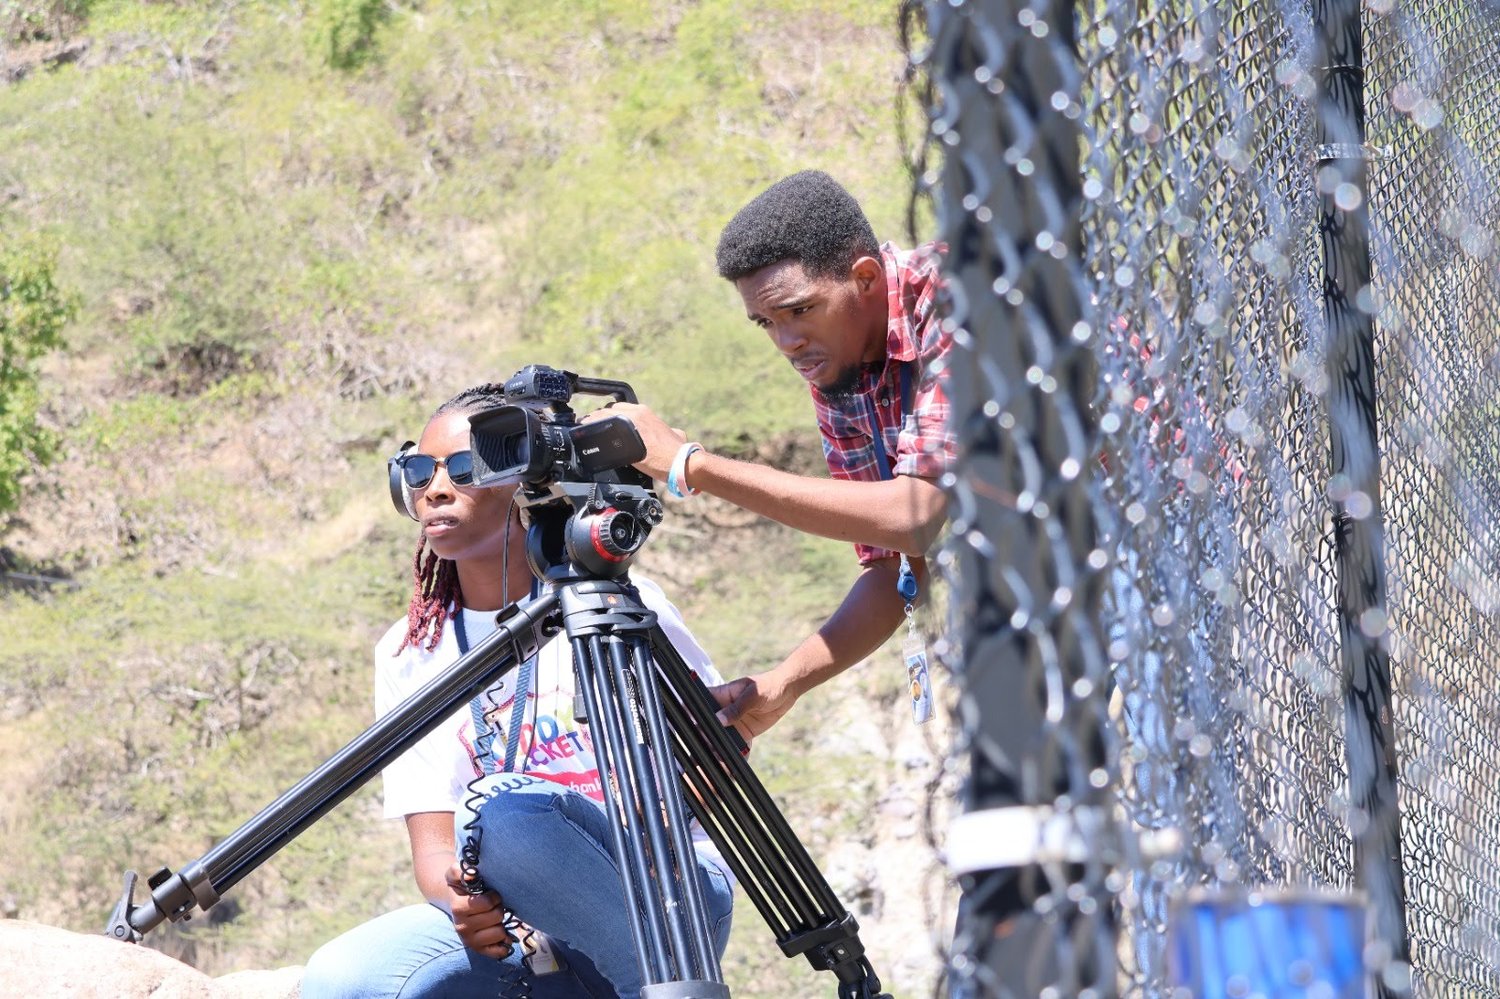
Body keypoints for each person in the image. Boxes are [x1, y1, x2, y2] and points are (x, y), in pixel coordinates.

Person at [300, 384, 734, 999]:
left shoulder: (615, 605)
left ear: (526, 483)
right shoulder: (408, 651)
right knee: (342, 977)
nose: (435, 489)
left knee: (503, 812)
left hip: (660, 887)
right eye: (419, 471)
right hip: (518, 918)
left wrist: (626, 841)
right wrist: (460, 901)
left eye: (464, 468)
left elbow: (715, 756)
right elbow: (434, 844)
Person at [597, 170, 954, 739]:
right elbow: (893, 566)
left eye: (799, 310)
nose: (786, 343)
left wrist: (692, 466)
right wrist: (785, 683)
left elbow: (915, 518)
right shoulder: (838, 362)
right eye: (766, 322)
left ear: (864, 278)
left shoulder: (963, 297)